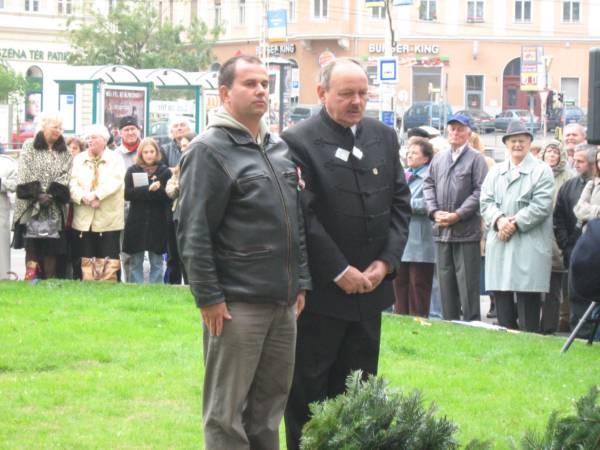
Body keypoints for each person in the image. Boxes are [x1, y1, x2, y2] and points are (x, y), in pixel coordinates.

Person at [176, 55, 311, 450]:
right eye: (250, 84)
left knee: (269, 410)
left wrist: (300, 282)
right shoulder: (208, 150)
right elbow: (193, 231)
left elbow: (294, 222)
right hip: (236, 304)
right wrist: (208, 297)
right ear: (224, 93)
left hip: (282, 302)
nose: (261, 91)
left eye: (265, 84)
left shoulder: (278, 147)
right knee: (226, 413)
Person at [280, 58, 411, 450]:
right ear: (322, 93)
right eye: (346, 94)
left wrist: (385, 263)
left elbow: (400, 203)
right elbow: (303, 215)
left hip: (370, 293)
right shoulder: (298, 140)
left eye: (363, 94)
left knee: (360, 396)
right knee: (308, 396)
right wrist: (339, 270)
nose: (357, 102)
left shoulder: (383, 136)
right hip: (322, 296)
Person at [480, 121, 554, 333]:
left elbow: (541, 205)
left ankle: (529, 342)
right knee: (502, 300)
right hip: (500, 243)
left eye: (522, 140)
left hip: (528, 244)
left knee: (528, 299)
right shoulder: (496, 171)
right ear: (506, 143)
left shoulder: (542, 170)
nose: (517, 145)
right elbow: (485, 201)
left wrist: (513, 223)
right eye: (513, 141)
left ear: (530, 142)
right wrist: (499, 220)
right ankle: (506, 342)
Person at [423, 113, 488, 322]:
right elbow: (428, 185)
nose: (455, 132)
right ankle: (448, 325)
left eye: (460, 129)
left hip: (466, 232)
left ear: (469, 133)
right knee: (445, 284)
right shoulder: (439, 158)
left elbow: (480, 191)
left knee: (468, 285)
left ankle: (471, 325)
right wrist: (434, 211)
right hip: (441, 230)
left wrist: (458, 215)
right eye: (452, 128)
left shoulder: (476, 159)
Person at [12, 113, 72, 280]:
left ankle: (49, 279)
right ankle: (31, 279)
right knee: (32, 244)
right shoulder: (29, 145)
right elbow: (25, 170)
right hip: (31, 205)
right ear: (43, 126)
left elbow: (66, 174)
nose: (58, 131)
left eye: (61, 128)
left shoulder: (65, 150)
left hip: (54, 205)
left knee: (51, 246)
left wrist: (51, 194)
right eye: (55, 127)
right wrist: (38, 194)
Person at [70, 124, 125, 282]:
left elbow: (116, 182)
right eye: (88, 138)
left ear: (104, 140)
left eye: (93, 137)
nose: (90, 140)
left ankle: (108, 286)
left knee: (108, 258)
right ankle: (86, 285)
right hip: (83, 219)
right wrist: (84, 197)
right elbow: (72, 183)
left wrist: (97, 195)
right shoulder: (79, 159)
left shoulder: (115, 159)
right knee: (85, 258)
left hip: (108, 219)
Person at [555, 144, 598, 331]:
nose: (576, 164)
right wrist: (566, 245)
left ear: (592, 164)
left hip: (594, 249)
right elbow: (561, 217)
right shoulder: (570, 186)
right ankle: (579, 333)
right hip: (576, 250)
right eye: (575, 160)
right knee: (576, 297)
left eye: (581, 161)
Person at [393, 137, 435, 317]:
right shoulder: (402, 175)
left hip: (421, 240)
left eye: (415, 153)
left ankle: (419, 321)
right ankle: (401, 319)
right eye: (408, 152)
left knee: (418, 285)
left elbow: (429, 204)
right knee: (399, 284)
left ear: (426, 158)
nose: (409, 155)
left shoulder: (430, 177)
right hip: (400, 239)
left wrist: (402, 204)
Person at [123, 138, 171, 284]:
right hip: (137, 220)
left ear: (157, 153)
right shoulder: (133, 170)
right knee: (135, 260)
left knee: (157, 261)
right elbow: (127, 194)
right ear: (140, 154)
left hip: (157, 220)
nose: (149, 155)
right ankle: (136, 288)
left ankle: (156, 288)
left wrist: (158, 190)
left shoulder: (164, 171)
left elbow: (168, 196)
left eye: (152, 151)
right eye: (145, 152)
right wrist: (148, 189)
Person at [539, 140, 573, 333]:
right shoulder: (537, 172)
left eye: (555, 152)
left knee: (555, 285)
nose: (551, 155)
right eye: (548, 152)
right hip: (537, 234)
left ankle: (550, 325)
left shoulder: (568, 177)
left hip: (557, 237)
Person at [161, 116, 193, 285]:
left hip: (192, 208)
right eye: (176, 126)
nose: (179, 128)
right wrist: (175, 171)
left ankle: (191, 283)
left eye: (183, 125)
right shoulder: (164, 149)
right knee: (173, 251)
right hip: (172, 207)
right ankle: (172, 285)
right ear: (171, 131)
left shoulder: (198, 148)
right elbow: (162, 171)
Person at [115, 115, 141, 282]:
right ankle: (130, 283)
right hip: (123, 207)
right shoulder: (115, 155)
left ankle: (148, 283)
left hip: (145, 205)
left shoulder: (148, 149)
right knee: (126, 249)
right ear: (120, 133)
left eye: (133, 129)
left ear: (139, 130)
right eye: (126, 129)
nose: (130, 132)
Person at [0, 153, 17, 279]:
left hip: (1, 212)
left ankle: (3, 279)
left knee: (2, 251)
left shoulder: (7, 162)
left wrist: (2, 182)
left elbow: (16, 184)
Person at [573, 149, 600, 230]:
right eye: (598, 160)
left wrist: (589, 211)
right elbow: (578, 209)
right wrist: (598, 211)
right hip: (591, 234)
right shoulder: (592, 184)